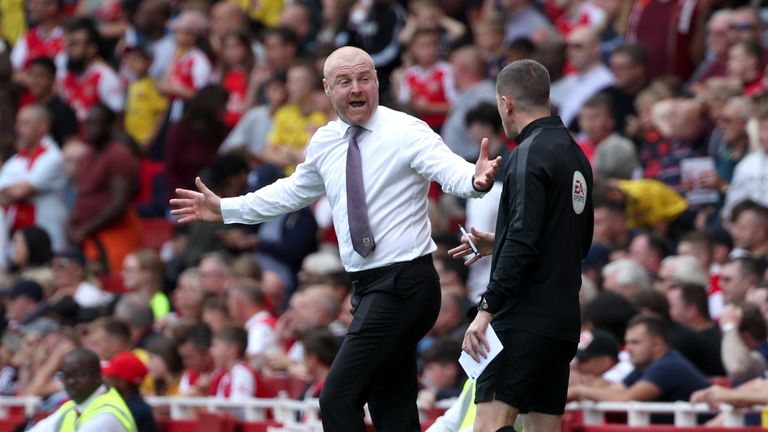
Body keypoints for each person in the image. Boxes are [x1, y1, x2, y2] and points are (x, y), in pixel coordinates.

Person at [170, 46, 501, 431]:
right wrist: (226, 209)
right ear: (328, 89)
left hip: (406, 283)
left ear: (377, 82)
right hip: (367, 287)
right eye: (345, 81)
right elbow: (291, 191)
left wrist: (475, 182)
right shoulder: (326, 140)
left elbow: (451, 171)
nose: (356, 88)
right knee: (391, 408)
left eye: (364, 78)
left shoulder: (406, 130)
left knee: (337, 397)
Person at [452, 59, 593, 432]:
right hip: (562, 321)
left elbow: (526, 238)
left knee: (490, 425)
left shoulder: (528, 153)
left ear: (506, 103)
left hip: (522, 317)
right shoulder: (575, 154)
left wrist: (486, 310)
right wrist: (499, 242)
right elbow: (575, 241)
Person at [28, 348, 137, 431]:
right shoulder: (70, 408)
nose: (71, 381)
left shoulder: (108, 414)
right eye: (66, 376)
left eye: (79, 375)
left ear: (98, 376)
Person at [101, 352, 157, 432]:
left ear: (122, 383)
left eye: (111, 377)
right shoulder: (124, 404)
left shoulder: (138, 411)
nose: (106, 380)